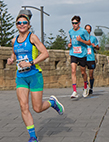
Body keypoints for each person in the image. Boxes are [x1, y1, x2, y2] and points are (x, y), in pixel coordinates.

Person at [7, 14, 64, 142]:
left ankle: (51, 102)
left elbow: (45, 53)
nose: (22, 25)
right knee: (23, 106)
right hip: (21, 76)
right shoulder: (13, 40)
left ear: (29, 25)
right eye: (19, 23)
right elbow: (14, 53)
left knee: (37, 108)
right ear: (16, 25)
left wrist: (30, 63)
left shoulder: (32, 38)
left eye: (24, 22)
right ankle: (33, 136)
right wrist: (11, 59)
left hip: (34, 75)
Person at [68, 15, 91, 98]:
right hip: (73, 53)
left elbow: (89, 43)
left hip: (82, 54)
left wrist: (81, 40)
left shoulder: (83, 31)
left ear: (79, 23)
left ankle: (85, 87)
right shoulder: (70, 31)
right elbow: (71, 40)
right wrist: (70, 44)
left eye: (76, 23)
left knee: (82, 72)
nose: (74, 25)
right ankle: (74, 91)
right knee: (73, 71)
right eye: (73, 23)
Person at [84, 24, 100, 95]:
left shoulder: (93, 38)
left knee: (90, 74)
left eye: (89, 29)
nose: (88, 30)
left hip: (91, 58)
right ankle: (85, 85)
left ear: (90, 30)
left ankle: (91, 88)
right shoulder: (82, 38)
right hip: (83, 57)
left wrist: (95, 46)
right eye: (86, 29)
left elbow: (98, 47)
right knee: (83, 73)